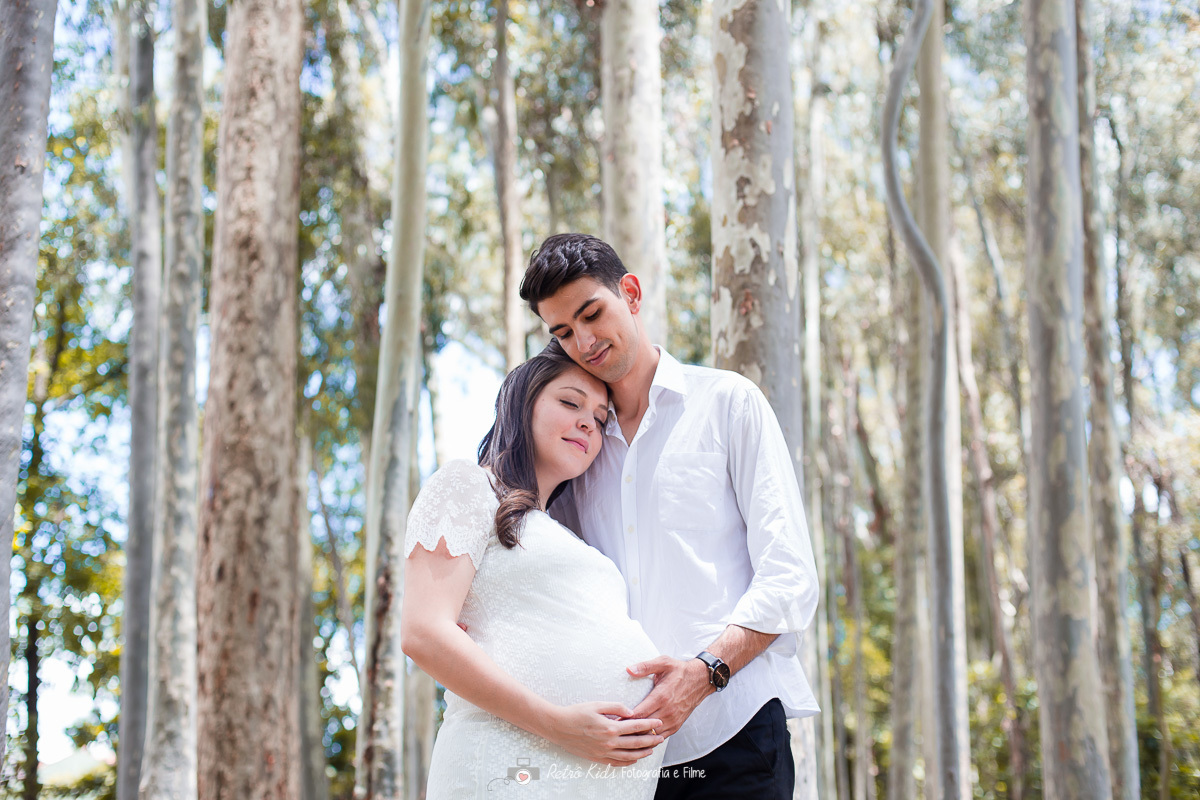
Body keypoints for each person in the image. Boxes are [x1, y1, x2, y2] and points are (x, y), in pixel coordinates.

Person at [520, 232, 820, 800]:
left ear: (631, 294)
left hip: (735, 735)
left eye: (592, 314)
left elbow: (789, 577)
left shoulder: (728, 403)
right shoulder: (577, 448)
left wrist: (704, 674)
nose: (584, 342)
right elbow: (550, 579)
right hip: (623, 758)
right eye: (562, 332)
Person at [400, 341, 668, 798]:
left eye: (600, 418)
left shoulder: (572, 538)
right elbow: (423, 632)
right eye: (570, 403)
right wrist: (558, 724)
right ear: (524, 404)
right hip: (505, 769)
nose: (588, 422)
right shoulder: (469, 485)